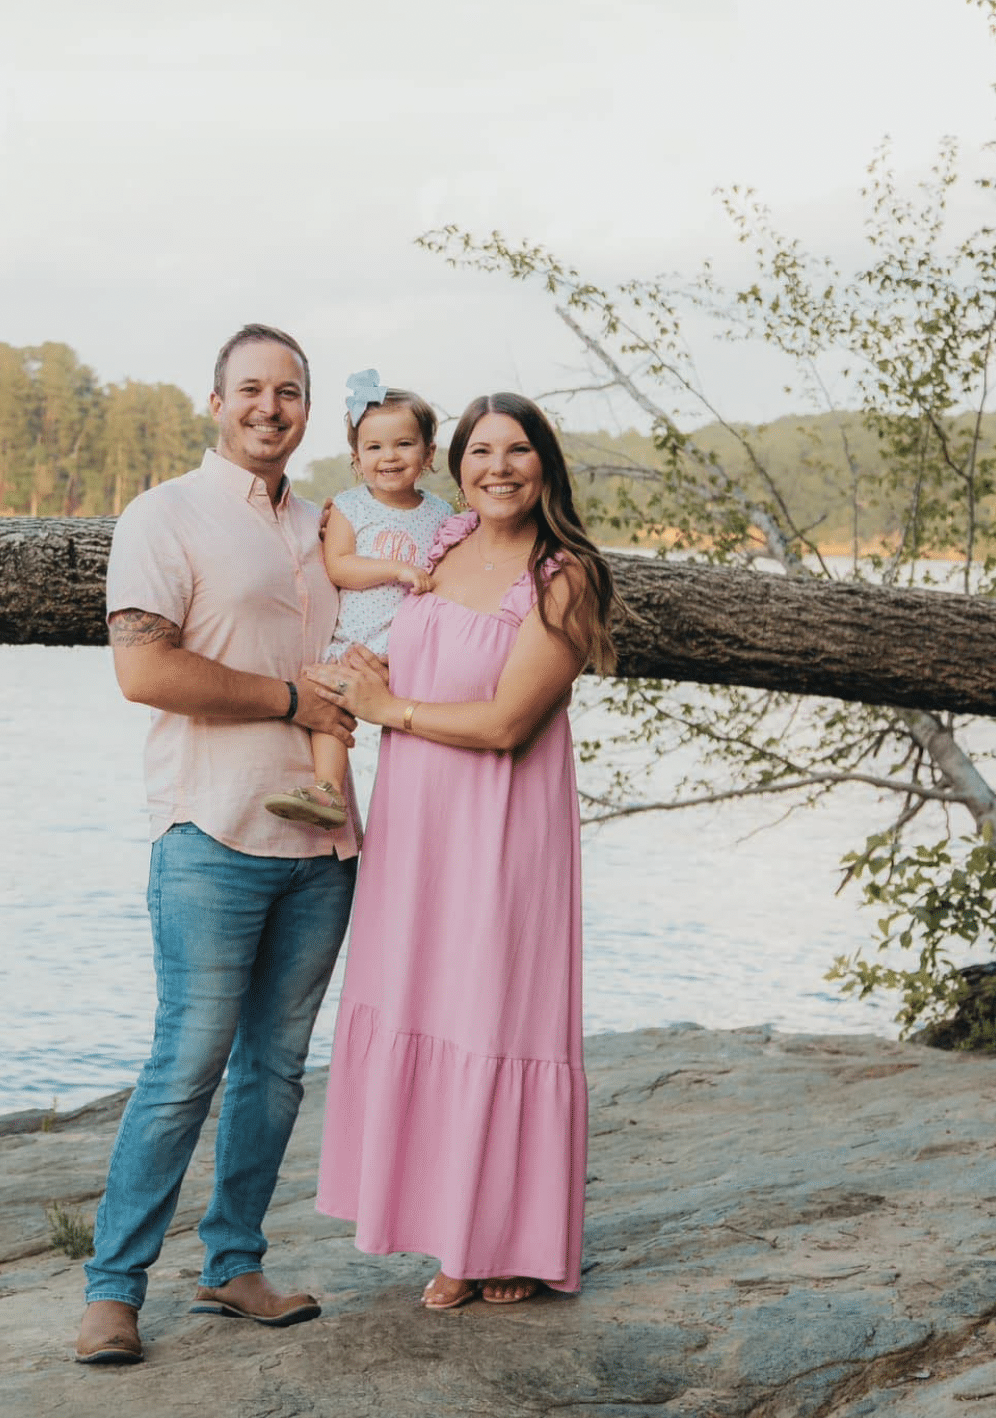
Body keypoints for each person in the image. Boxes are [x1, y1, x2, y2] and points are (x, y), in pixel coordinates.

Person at [75, 324, 360, 1364]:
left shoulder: (327, 528)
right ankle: (113, 1288)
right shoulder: (166, 514)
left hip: (324, 844)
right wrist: (292, 697)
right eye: (250, 389)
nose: (268, 407)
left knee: (276, 1067)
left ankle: (234, 1262)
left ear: (306, 409)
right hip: (211, 828)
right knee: (187, 1058)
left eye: (289, 392)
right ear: (215, 400)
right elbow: (144, 673)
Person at [308, 392, 622, 1309]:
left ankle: (501, 1240)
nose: (498, 467)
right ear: (457, 465)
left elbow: (506, 723)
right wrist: (366, 681)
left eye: (518, 451)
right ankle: (443, 1226)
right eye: (481, 451)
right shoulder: (439, 547)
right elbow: (417, 660)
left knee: (493, 1010)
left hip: (499, 823)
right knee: (426, 1000)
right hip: (417, 819)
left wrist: (388, 709)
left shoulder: (565, 575)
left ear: (545, 464)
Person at [263, 371, 454, 829]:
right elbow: (340, 565)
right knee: (330, 696)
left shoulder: (442, 513)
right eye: (374, 447)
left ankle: (430, 809)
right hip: (360, 642)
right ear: (356, 459)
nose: (389, 457)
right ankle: (328, 790)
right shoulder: (350, 508)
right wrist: (395, 569)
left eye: (403, 445)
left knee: (421, 726)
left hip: (416, 649)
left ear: (428, 455)